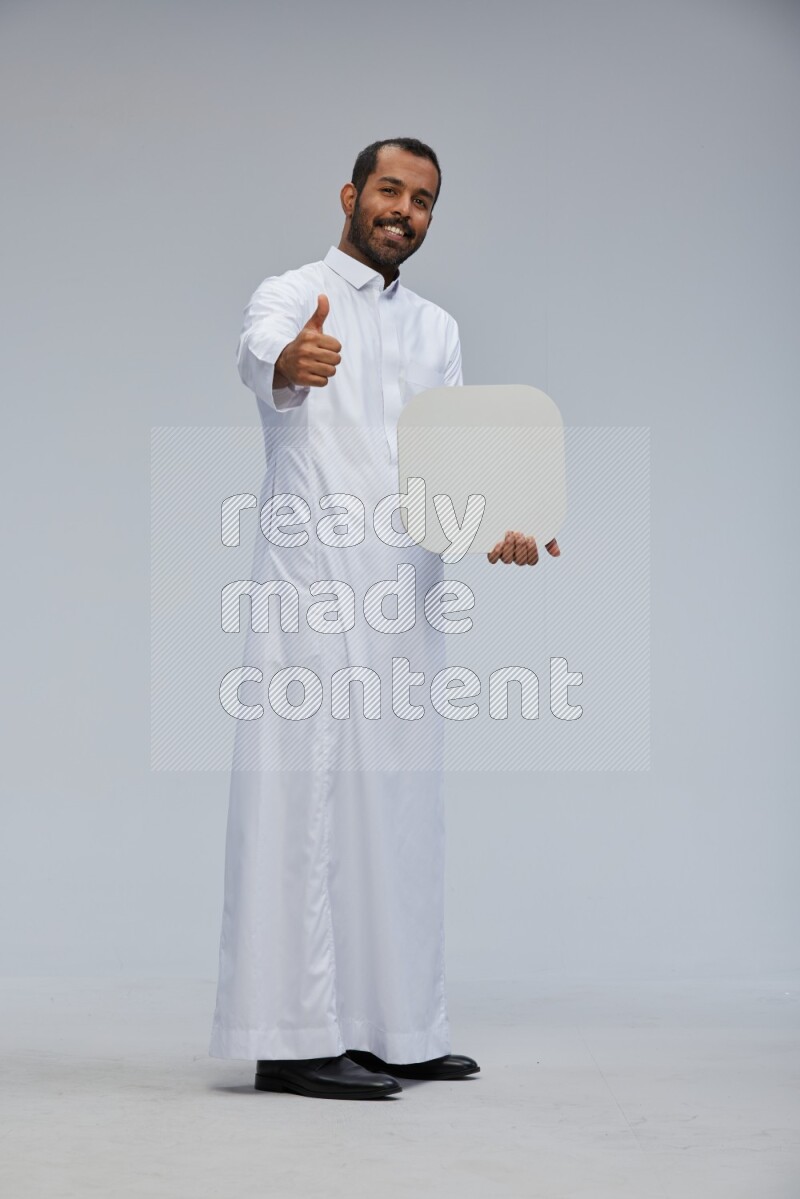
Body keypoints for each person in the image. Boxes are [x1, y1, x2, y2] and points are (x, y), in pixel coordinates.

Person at [210, 137, 560, 1101]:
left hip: (404, 592)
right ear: (351, 194)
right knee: (303, 801)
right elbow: (257, 356)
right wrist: (291, 356)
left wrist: (501, 522)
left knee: (395, 810)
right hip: (315, 588)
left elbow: (451, 462)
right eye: (389, 190)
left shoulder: (437, 328)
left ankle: (395, 1026)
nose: (404, 209)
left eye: (424, 199)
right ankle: (289, 1036)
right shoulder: (291, 291)